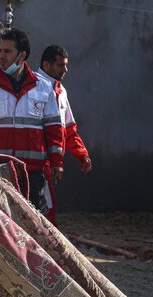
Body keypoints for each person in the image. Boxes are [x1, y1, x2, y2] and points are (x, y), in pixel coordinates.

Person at [0, 29, 64, 215]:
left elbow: (53, 129)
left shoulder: (43, 88)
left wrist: (57, 162)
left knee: (33, 224)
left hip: (32, 173)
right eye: (0, 50)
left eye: (7, 51)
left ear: (22, 55)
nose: (1, 56)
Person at [38, 45, 92, 224]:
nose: (65, 70)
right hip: (38, 162)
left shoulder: (60, 91)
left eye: (65, 65)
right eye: (60, 65)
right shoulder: (35, 87)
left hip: (52, 163)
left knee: (47, 207)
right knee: (44, 209)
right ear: (46, 65)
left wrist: (81, 154)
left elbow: (68, 129)